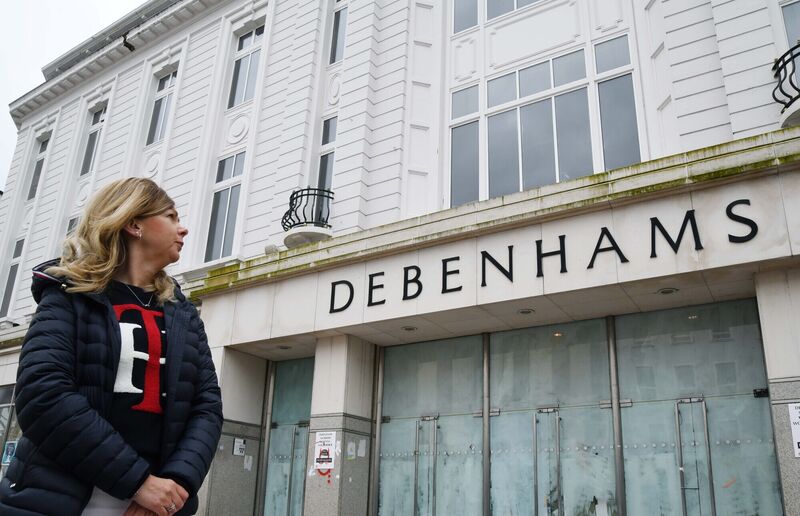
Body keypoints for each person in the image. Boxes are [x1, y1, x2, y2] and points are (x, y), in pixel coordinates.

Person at [0, 178, 223, 515]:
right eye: (171, 217)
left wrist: (173, 487)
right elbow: (43, 394)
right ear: (134, 224)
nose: (184, 229)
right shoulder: (68, 295)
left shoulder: (184, 314)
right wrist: (139, 483)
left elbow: (207, 407)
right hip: (58, 500)